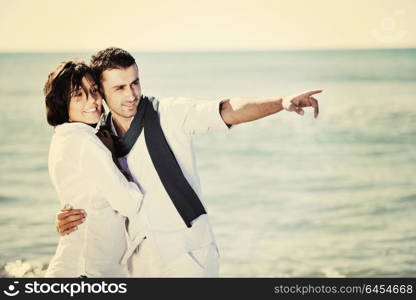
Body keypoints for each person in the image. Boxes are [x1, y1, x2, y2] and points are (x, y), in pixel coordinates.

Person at [56, 48, 321, 277]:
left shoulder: (169, 113)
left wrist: (281, 102)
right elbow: (92, 190)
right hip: (139, 262)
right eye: (120, 87)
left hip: (188, 255)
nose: (132, 94)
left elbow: (227, 110)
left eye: (135, 83)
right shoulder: (98, 136)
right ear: (101, 92)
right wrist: (69, 217)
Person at [43, 60, 144, 277]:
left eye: (94, 90)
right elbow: (128, 203)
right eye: (79, 94)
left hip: (79, 266)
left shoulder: (63, 137)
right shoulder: (84, 141)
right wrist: (114, 158)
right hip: (87, 271)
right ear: (62, 102)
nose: (93, 100)